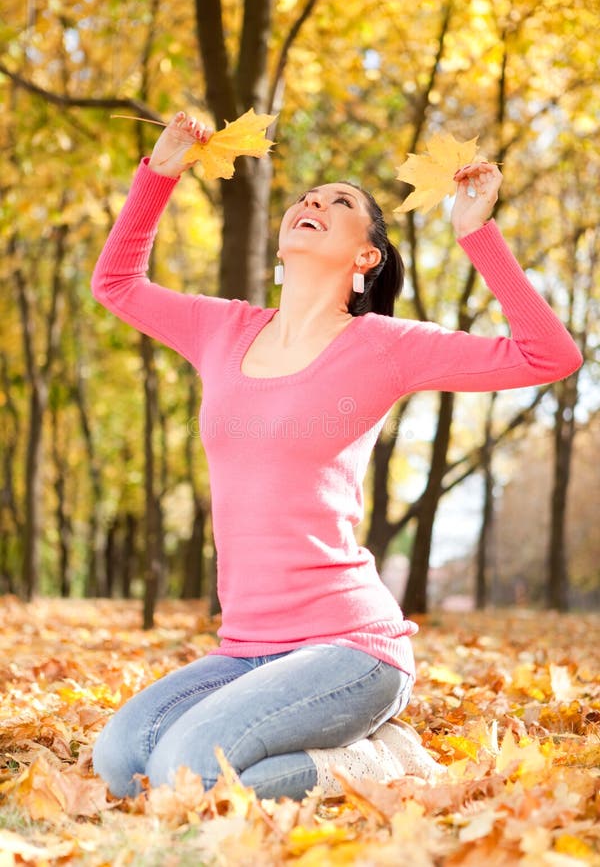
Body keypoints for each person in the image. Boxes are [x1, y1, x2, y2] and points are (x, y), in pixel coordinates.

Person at [91, 111, 582, 802]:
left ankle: (381, 762)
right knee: (122, 763)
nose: (313, 202)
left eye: (340, 201)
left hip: (349, 650)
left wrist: (476, 234)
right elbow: (115, 284)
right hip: (244, 651)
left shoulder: (381, 344)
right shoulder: (225, 329)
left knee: (187, 773)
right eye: (307, 196)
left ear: (366, 258)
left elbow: (549, 356)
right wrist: (161, 171)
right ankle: (352, 754)